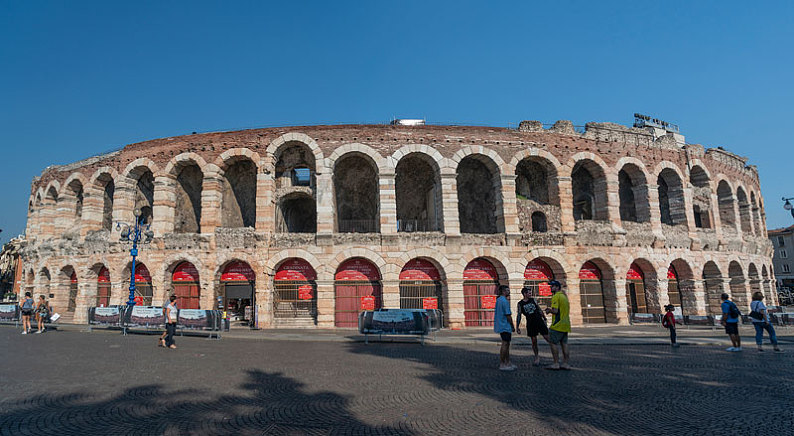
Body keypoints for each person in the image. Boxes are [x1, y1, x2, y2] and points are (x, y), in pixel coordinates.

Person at [515, 286, 551, 365]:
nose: (530, 294)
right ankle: (537, 357)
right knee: (534, 341)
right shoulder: (520, 304)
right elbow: (519, 315)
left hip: (539, 320)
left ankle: (555, 354)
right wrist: (517, 326)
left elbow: (539, 309)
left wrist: (544, 318)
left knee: (548, 338)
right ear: (524, 294)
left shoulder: (533, 300)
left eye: (531, 293)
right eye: (529, 293)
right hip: (530, 323)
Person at [544, 280, 571, 370]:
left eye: (552, 286)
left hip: (558, 325)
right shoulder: (564, 297)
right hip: (566, 324)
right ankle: (565, 363)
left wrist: (549, 310)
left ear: (557, 287)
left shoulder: (556, 297)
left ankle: (556, 363)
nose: (551, 288)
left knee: (552, 342)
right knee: (564, 344)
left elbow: (555, 311)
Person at [493, 285, 516, 371]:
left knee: (506, 344)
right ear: (503, 291)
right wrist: (512, 326)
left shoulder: (498, 300)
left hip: (500, 324)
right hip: (505, 325)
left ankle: (507, 362)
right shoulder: (504, 301)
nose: (509, 291)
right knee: (505, 344)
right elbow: (508, 315)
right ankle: (502, 363)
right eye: (507, 290)